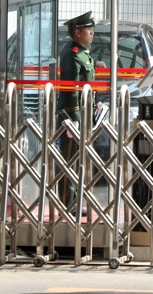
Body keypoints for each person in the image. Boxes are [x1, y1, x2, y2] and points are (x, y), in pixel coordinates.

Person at [58, 11, 106, 208]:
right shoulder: (72, 54)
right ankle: (67, 203)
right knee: (70, 159)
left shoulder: (83, 53)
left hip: (85, 113)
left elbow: (86, 74)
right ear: (77, 32)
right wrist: (74, 117)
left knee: (79, 159)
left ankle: (76, 199)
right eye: (88, 29)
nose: (92, 33)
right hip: (74, 115)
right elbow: (70, 88)